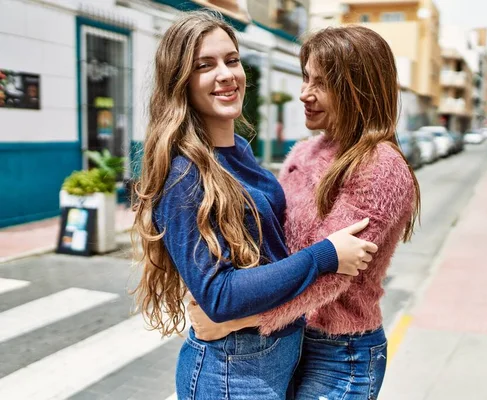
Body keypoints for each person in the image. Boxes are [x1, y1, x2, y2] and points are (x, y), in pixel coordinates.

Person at [131, 12, 379, 400]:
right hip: (232, 374)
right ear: (180, 82)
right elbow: (219, 295)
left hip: (274, 363)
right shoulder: (184, 172)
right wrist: (325, 255)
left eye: (231, 60)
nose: (227, 74)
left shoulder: (240, 151)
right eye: (204, 65)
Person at [188, 25, 421, 399]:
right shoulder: (304, 152)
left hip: (341, 354)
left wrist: (239, 321)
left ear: (359, 90)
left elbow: (334, 272)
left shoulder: (380, 166)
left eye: (321, 84)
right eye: (305, 78)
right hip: (287, 344)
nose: (304, 94)